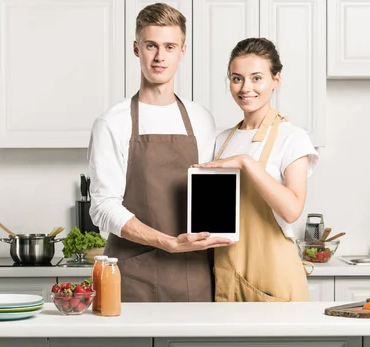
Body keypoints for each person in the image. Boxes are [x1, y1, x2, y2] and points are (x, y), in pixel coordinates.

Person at [87, 3, 231, 302]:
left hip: (192, 273)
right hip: (132, 275)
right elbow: (102, 207)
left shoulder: (202, 119)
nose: (159, 56)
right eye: (151, 45)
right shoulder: (112, 122)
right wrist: (168, 242)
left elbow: (210, 192)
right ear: (136, 48)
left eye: (169, 46)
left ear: (183, 51)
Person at [195, 38, 319, 302]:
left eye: (256, 78)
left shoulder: (292, 137)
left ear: (276, 80)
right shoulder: (221, 139)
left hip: (272, 276)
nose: (245, 88)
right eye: (237, 78)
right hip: (228, 272)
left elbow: (292, 209)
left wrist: (247, 163)